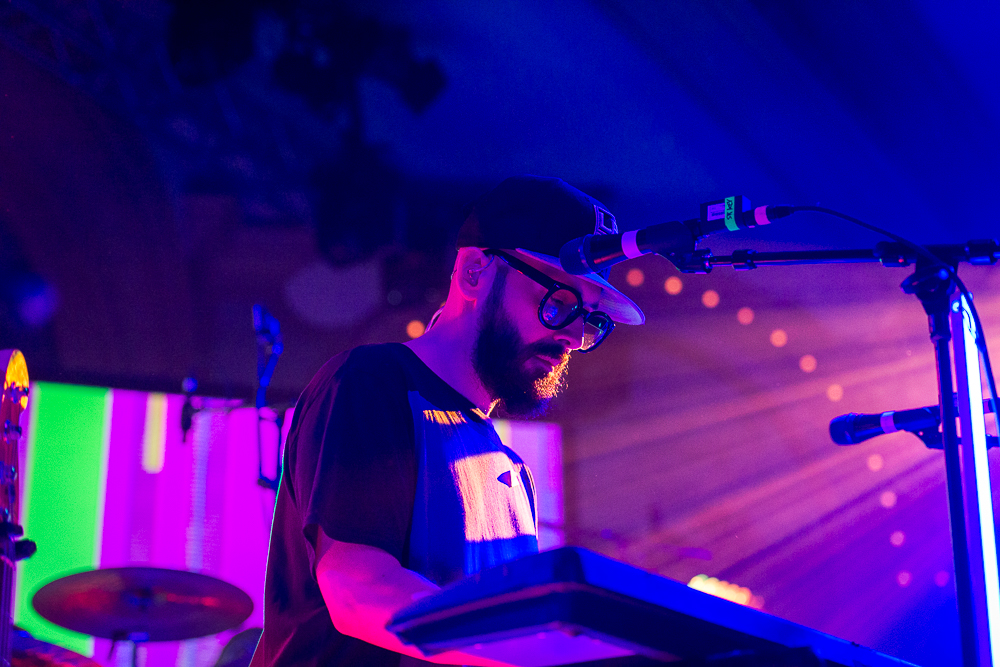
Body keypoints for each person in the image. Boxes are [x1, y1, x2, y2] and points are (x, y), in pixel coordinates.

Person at [251, 175, 645, 666]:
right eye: (559, 303)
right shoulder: (372, 383)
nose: (572, 338)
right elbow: (357, 589)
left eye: (591, 319)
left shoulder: (514, 474)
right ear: (475, 272)